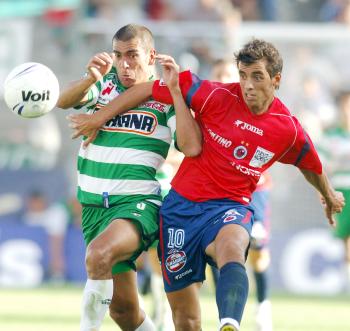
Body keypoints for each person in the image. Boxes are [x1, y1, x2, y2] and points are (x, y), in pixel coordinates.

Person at [68, 38, 345, 331]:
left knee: (233, 245)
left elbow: (310, 164)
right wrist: (99, 117)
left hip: (230, 206)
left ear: (276, 79)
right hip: (181, 210)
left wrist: (328, 194)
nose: (248, 84)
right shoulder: (213, 95)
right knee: (186, 321)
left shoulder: (287, 129)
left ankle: (229, 324)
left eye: (257, 76)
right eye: (243, 75)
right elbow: (148, 88)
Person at [57, 24, 201, 331]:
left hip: (138, 203)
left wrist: (177, 94)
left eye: (132, 55)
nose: (124, 64)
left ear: (151, 56)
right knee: (123, 311)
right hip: (94, 207)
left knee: (98, 255)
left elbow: (190, 146)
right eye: (118, 55)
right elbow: (62, 101)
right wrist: (89, 79)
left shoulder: (165, 97)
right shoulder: (104, 85)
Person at [210, 58, 273, 331]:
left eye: (229, 74)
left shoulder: (254, 105)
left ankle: (263, 306)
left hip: (253, 192)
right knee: (214, 251)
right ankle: (225, 313)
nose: (225, 79)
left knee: (257, 248)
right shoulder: (208, 107)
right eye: (219, 74)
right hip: (215, 193)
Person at [317, 90, 350, 290]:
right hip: (341, 194)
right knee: (346, 240)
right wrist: (323, 197)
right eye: (345, 106)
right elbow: (319, 171)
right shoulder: (331, 137)